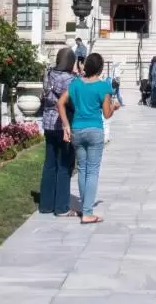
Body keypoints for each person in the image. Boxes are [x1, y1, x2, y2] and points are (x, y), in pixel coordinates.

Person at [58, 52, 119, 224]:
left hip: (77, 128)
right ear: (100, 69)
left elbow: (60, 102)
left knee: (83, 170)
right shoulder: (103, 87)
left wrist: (65, 125)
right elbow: (107, 114)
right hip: (94, 130)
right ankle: (87, 212)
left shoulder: (76, 84)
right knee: (92, 171)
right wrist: (115, 107)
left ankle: (85, 207)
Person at [40, 47, 77, 216]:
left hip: (48, 124)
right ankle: (61, 207)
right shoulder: (69, 79)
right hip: (63, 125)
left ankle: (46, 205)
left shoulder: (48, 74)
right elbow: (73, 101)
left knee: (49, 164)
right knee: (64, 165)